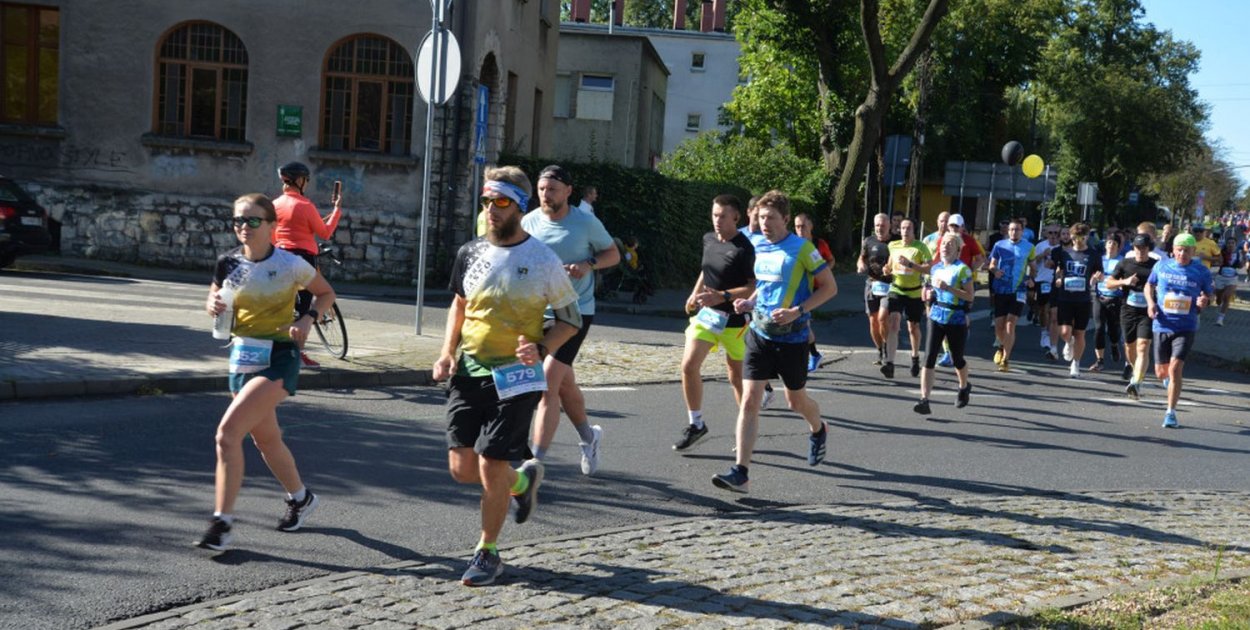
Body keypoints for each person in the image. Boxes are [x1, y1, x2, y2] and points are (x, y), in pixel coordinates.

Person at [434, 165, 581, 586]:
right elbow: (460, 305)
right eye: (486, 201)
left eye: (500, 202)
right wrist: (446, 353)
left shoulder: (542, 259)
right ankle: (522, 480)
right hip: (470, 369)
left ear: (518, 206)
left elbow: (570, 320)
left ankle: (488, 552)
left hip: (518, 375)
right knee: (463, 469)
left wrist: (541, 348)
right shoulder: (470, 252)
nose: (491, 209)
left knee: (491, 462)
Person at [196, 193, 337, 552]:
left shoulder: (290, 264)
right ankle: (301, 498)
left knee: (227, 434)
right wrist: (211, 303)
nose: (244, 226)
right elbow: (214, 296)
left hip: (279, 356)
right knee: (267, 440)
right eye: (238, 220)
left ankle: (222, 523)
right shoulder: (228, 262)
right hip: (242, 357)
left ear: (272, 225)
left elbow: (325, 293)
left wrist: (307, 318)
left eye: (253, 220)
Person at [712, 190, 837, 493]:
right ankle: (741, 472)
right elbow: (765, 285)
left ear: (785, 219)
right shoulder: (759, 245)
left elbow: (829, 288)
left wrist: (798, 311)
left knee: (796, 401)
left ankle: (818, 428)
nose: (764, 223)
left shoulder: (803, 249)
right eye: (760, 217)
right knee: (749, 400)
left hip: (793, 338)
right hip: (760, 334)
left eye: (770, 218)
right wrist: (750, 302)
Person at [522, 165, 620, 476]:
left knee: (547, 383)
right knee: (565, 384)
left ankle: (534, 464)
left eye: (552, 189)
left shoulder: (585, 222)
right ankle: (590, 438)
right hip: (538, 312)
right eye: (541, 189)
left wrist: (588, 264)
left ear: (568, 191)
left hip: (575, 314)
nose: (545, 195)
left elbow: (613, 254)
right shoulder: (528, 221)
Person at [675, 194, 755, 451]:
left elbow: (752, 287)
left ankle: (746, 429)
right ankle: (696, 423)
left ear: (736, 217)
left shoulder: (744, 248)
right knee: (689, 366)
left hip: (735, 323)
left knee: (737, 377)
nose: (717, 220)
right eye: (714, 215)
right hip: (708, 317)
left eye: (722, 216)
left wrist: (722, 296)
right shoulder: (708, 239)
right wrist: (694, 293)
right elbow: (706, 269)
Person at [272, 161, 343, 368]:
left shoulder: (274, 204)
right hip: (303, 259)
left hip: (280, 256)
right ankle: (298, 354)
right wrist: (337, 210)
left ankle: (275, 348)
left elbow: (272, 235)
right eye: (306, 180)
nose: (307, 183)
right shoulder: (305, 205)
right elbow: (325, 233)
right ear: (299, 181)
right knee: (305, 308)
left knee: (280, 304)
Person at [1145, 233, 1214, 428]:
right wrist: (1150, 303)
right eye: (1179, 250)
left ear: (1194, 251)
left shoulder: (1201, 271)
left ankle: (1171, 413)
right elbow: (1149, 285)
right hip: (1162, 324)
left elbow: (1209, 295)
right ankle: (1168, 381)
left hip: (1186, 326)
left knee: (1175, 369)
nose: (1183, 254)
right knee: (1161, 373)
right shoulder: (1161, 266)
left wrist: (1204, 301)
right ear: (1173, 250)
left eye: (1187, 250)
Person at [914, 233, 974, 415]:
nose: (945, 247)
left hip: (956, 318)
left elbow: (970, 296)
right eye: (943, 244)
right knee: (929, 358)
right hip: (936, 316)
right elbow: (930, 290)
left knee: (957, 359)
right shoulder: (935, 268)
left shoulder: (962, 270)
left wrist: (948, 288)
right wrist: (927, 296)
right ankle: (924, 400)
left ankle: (964, 387)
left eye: (950, 244)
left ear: (957, 249)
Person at [1107, 233, 1159, 399]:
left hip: (1148, 311)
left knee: (1143, 345)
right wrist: (1125, 282)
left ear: (1149, 249)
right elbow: (1109, 283)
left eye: (1143, 248)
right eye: (1137, 248)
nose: (1140, 251)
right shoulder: (1125, 263)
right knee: (1129, 347)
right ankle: (1135, 369)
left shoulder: (1156, 265)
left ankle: (1136, 382)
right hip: (1128, 309)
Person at [881, 218, 932, 379]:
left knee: (913, 328)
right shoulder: (893, 245)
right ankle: (890, 363)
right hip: (896, 289)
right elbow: (889, 265)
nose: (905, 231)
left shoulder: (920, 247)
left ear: (913, 230)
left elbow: (929, 268)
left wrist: (911, 265)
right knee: (894, 322)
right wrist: (886, 269)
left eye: (908, 228)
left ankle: (915, 356)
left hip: (914, 292)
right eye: (903, 228)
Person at [1051, 222, 1102, 378]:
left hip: (1083, 299)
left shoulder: (1093, 254)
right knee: (1065, 332)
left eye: (1081, 237)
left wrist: (1096, 278)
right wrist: (1058, 278)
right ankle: (1069, 342)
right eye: (1074, 237)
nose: (1077, 241)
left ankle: (1076, 363)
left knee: (1080, 332)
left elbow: (1099, 273)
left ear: (1086, 237)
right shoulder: (1065, 253)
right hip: (1065, 297)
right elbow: (1059, 270)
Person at [987, 219, 1035, 373]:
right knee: (999, 326)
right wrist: (995, 271)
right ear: (1008, 231)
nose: (1014, 232)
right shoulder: (999, 245)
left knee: (1010, 324)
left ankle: (1006, 359)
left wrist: (1031, 279)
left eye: (1017, 229)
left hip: (1019, 289)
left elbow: (1033, 267)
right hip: (1001, 289)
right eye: (1012, 229)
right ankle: (1001, 346)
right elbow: (991, 264)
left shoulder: (1029, 247)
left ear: (1022, 231)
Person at [794, 212, 834, 371]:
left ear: (810, 226)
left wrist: (823, 272)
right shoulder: (793, 243)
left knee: (803, 322)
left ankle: (811, 355)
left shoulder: (819, 244)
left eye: (803, 226)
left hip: (815, 289)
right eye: (797, 227)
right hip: (798, 288)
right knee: (802, 323)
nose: (800, 230)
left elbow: (831, 260)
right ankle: (813, 355)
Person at [858, 213, 895, 366]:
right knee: (873, 321)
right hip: (872, 284)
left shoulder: (896, 241)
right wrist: (861, 264)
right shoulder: (868, 241)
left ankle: (887, 349)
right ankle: (880, 350)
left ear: (889, 226)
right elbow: (862, 257)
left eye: (883, 225)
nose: (880, 228)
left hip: (890, 285)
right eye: (877, 225)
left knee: (882, 318)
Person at [1090, 233, 1124, 372]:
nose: (1111, 246)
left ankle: (1114, 345)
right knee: (1099, 328)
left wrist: (1120, 284)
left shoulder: (1122, 261)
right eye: (1109, 243)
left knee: (1113, 329)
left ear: (1118, 247)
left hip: (1115, 298)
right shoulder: (1099, 260)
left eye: (1114, 244)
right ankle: (1100, 360)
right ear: (1105, 245)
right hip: (1099, 297)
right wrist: (1094, 279)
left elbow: (1124, 280)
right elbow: (1091, 280)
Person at [1032, 224, 1061, 359]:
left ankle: (1050, 335)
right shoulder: (1040, 246)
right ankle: (1044, 331)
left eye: (1056, 233)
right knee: (1043, 309)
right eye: (1050, 233)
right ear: (1046, 234)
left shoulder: (1062, 247)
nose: (1053, 236)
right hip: (1042, 280)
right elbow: (1032, 262)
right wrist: (1043, 255)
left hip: (1056, 281)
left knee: (1052, 310)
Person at [1213, 233, 1243, 326]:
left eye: (1232, 243)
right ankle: (1219, 301)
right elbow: (1218, 262)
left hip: (1232, 278)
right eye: (1229, 243)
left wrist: (1244, 260)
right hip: (1221, 277)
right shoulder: (1222, 252)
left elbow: (1240, 266)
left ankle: (1220, 319)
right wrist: (1219, 260)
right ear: (1226, 244)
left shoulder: (1238, 253)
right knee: (1219, 298)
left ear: (1235, 244)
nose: (1230, 245)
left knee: (1227, 296)